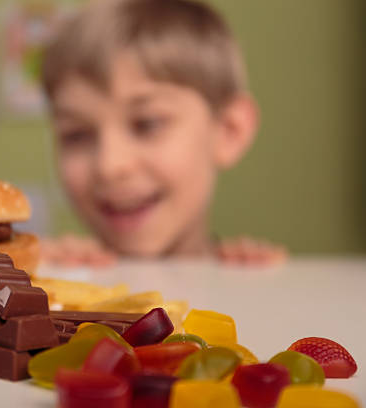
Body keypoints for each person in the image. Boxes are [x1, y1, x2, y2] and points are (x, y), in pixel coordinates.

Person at [39, 0, 286, 266]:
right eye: (76, 135)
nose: (109, 166)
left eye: (147, 124)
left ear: (229, 130)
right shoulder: (54, 274)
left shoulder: (252, 274)